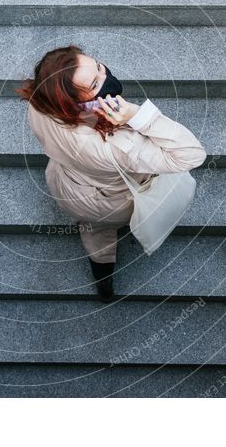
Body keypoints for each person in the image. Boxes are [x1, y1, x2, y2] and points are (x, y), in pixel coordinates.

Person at [15, 44, 207, 302]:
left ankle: (103, 282)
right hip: (112, 202)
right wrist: (136, 114)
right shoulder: (118, 146)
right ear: (74, 103)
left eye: (98, 65)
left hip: (68, 185)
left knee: (95, 234)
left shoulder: (40, 106)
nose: (106, 76)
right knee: (103, 227)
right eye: (95, 83)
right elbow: (192, 154)